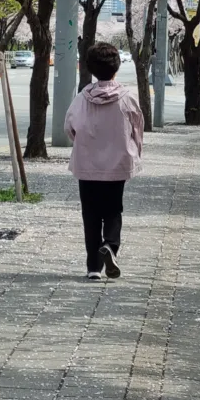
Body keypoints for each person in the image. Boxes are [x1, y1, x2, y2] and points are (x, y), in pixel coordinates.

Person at [64, 42, 144, 282]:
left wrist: (84, 144)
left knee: (90, 214)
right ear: (116, 68)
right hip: (117, 165)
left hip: (86, 166)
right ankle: (110, 245)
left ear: (91, 68)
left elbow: (69, 128)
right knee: (113, 210)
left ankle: (93, 268)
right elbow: (138, 130)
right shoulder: (127, 98)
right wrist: (134, 153)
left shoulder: (81, 98)